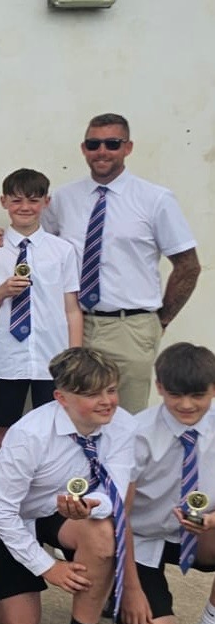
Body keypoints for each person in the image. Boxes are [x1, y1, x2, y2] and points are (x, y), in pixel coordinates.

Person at [0, 347, 133, 624]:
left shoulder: (123, 425)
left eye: (111, 390)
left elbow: (118, 491)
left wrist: (90, 506)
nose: (107, 401)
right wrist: (47, 566)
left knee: (102, 534)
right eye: (92, 394)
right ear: (61, 398)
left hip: (62, 511)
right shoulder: (30, 434)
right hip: (13, 518)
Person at [42, 113, 200, 414]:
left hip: (130, 328)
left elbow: (188, 266)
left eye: (112, 144)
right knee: (74, 417)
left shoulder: (155, 199)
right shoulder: (63, 199)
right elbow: (40, 246)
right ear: (84, 148)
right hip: (74, 325)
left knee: (127, 420)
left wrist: (160, 321)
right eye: (94, 144)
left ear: (128, 147)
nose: (102, 151)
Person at [0, 168, 82, 457]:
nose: (25, 207)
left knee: (56, 430)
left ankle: (49, 488)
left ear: (46, 202)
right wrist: (2, 292)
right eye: (17, 200)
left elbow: (71, 308)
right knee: (1, 430)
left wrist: (75, 357)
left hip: (52, 357)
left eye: (33, 200)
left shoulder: (62, 251)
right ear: (4, 202)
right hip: (7, 358)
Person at [121, 343, 215, 624]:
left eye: (198, 395)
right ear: (159, 387)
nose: (186, 405)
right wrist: (131, 589)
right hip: (140, 539)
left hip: (200, 534)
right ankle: (115, 589)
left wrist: (212, 521)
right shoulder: (137, 434)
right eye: (175, 395)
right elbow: (119, 518)